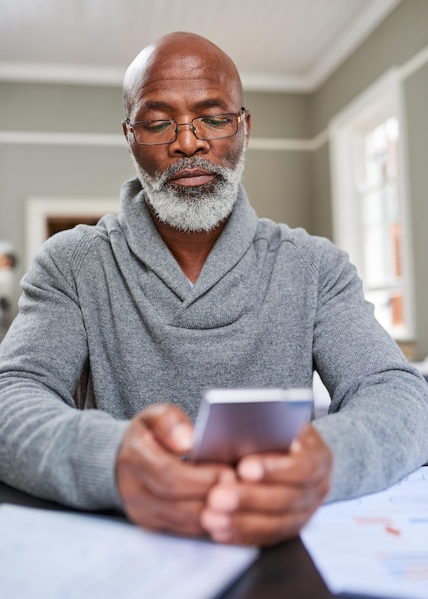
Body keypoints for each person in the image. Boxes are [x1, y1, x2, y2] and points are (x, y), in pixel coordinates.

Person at [0, 32, 428, 547]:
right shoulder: (72, 263)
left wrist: (326, 459)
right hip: (123, 547)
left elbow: (399, 394)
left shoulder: (316, 267)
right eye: (158, 123)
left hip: (276, 551)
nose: (188, 142)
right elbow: (11, 395)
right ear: (131, 137)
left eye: (215, 117)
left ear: (244, 128)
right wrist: (109, 460)